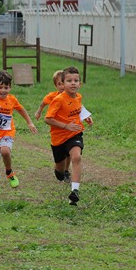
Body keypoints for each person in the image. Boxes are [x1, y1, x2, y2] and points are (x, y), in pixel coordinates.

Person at [0, 70, 37, 194]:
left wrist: (29, 122)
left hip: (7, 132)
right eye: (0, 87)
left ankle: (9, 172)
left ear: (10, 88)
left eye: (6, 87)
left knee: (5, 151)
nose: (3, 90)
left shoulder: (12, 100)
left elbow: (21, 109)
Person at [44, 66, 93, 206]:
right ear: (63, 84)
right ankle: (59, 171)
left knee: (76, 157)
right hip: (58, 138)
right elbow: (48, 119)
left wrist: (86, 116)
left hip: (74, 133)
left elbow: (77, 107)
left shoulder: (78, 96)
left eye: (76, 80)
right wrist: (65, 126)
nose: (73, 83)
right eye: (69, 81)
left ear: (80, 84)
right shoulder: (58, 100)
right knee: (60, 171)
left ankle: (75, 191)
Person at [35, 70, 71, 183]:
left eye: (63, 83)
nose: (62, 86)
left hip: (69, 130)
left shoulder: (71, 96)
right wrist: (39, 111)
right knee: (61, 154)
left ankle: (66, 171)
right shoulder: (52, 96)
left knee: (69, 152)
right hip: (57, 130)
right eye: (59, 84)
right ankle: (59, 169)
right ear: (56, 85)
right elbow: (43, 103)